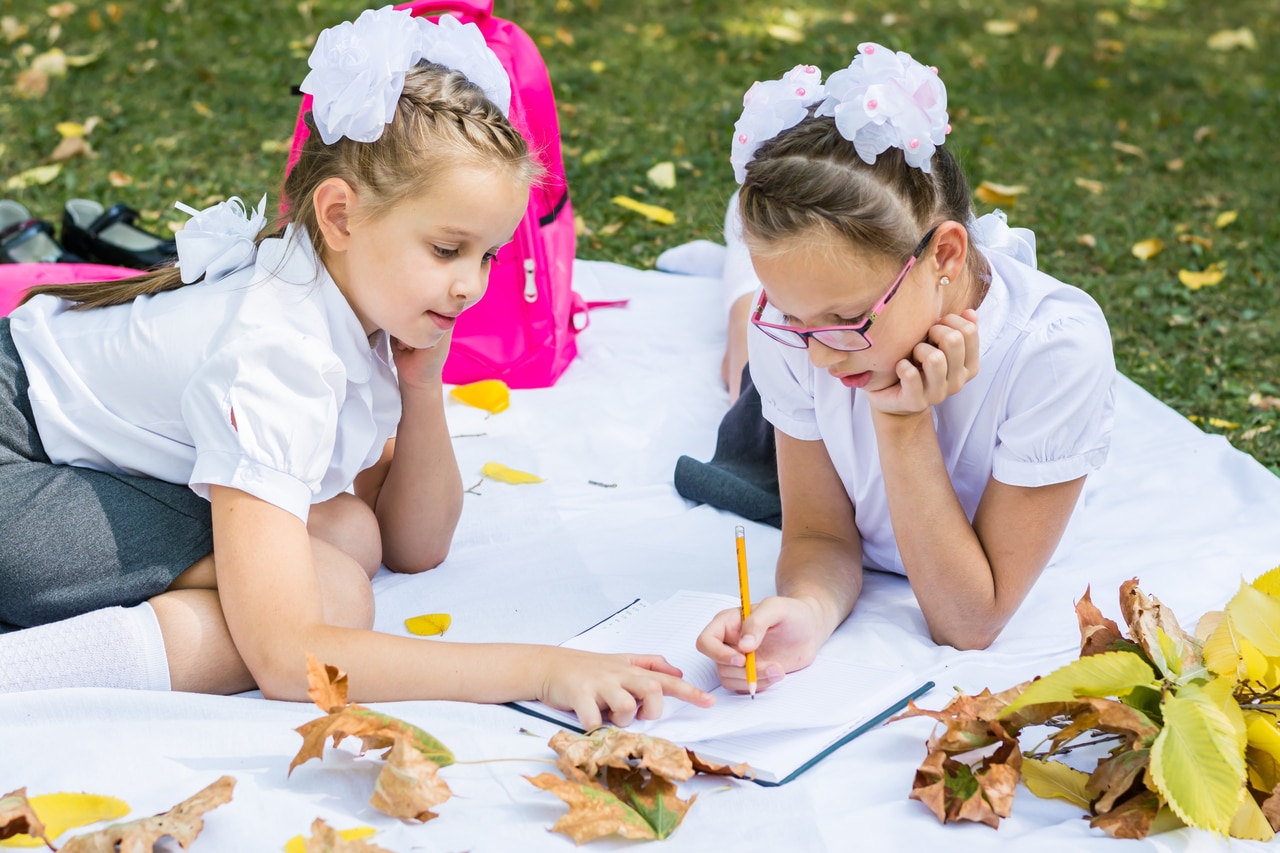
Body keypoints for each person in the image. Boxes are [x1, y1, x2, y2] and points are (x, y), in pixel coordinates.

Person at [0, 7, 712, 729]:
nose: (471, 284)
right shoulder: (279, 351)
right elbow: (291, 662)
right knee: (334, 596)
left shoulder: (355, 304)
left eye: (488, 255)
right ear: (340, 217)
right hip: (12, 460)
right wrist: (542, 667)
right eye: (446, 250)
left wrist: (421, 386)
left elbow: (415, 543)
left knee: (349, 533)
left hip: (46, 451)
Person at [695, 47, 1116, 691]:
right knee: (740, 361)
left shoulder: (1056, 353)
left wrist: (901, 420)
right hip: (811, 332)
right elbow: (818, 532)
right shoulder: (795, 335)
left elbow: (970, 621)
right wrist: (807, 609)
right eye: (794, 318)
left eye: (848, 316)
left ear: (945, 253)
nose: (819, 354)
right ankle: (741, 252)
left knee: (745, 363)